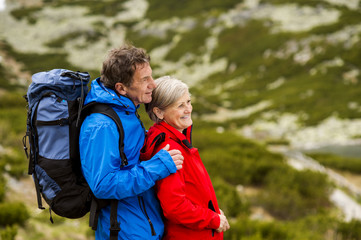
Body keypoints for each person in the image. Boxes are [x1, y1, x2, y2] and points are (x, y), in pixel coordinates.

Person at [79, 45, 184, 240]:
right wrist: (157, 166)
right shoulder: (101, 126)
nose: (153, 84)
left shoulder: (126, 110)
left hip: (146, 227)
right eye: (145, 80)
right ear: (121, 88)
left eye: (151, 76)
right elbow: (104, 185)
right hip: (124, 232)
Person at [140, 76, 230, 239]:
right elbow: (175, 207)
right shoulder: (170, 149)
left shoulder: (175, 140)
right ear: (159, 112)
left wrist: (215, 212)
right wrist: (214, 219)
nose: (188, 109)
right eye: (180, 105)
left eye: (188, 102)